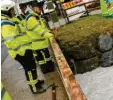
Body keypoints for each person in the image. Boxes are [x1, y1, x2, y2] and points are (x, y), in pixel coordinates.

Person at [1, 0, 46, 94]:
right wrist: (22, 51)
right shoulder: (5, 23)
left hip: (25, 48)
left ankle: (36, 82)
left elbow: (21, 28)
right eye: (12, 9)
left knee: (32, 67)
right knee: (29, 69)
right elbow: (10, 41)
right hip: (21, 51)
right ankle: (35, 88)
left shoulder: (9, 20)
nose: (14, 11)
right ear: (7, 10)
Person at [25, 0, 55, 74]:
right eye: (39, 9)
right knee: (42, 59)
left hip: (40, 43)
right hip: (37, 44)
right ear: (34, 8)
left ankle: (49, 69)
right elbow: (39, 31)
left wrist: (49, 32)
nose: (41, 10)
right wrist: (50, 35)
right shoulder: (31, 18)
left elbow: (43, 28)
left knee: (45, 58)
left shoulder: (36, 16)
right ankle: (47, 70)